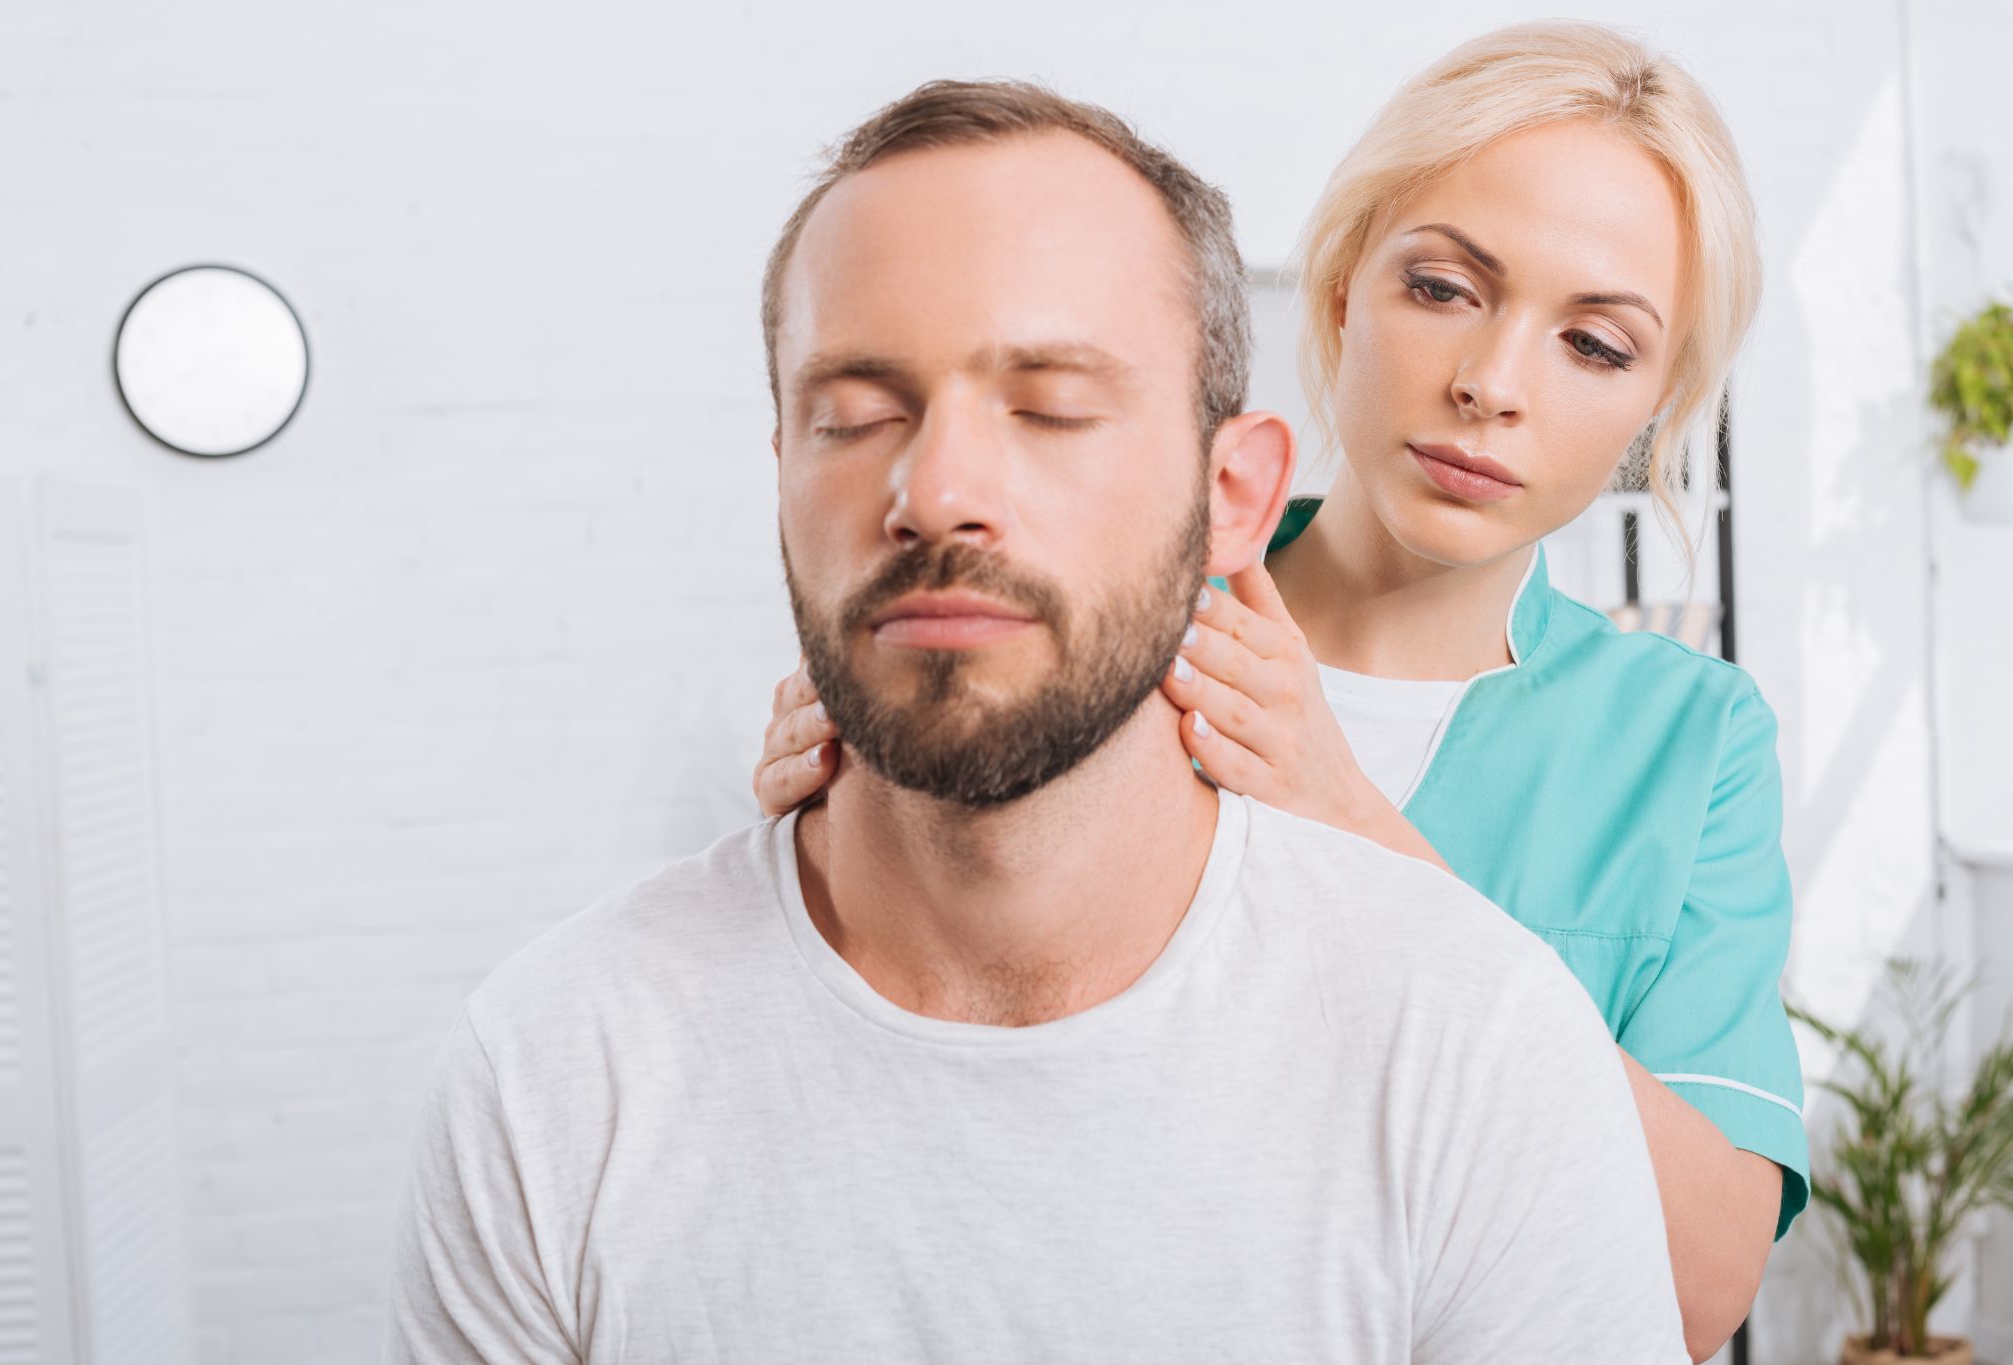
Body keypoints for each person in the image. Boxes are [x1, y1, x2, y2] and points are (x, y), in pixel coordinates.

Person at [386, 79, 1691, 1363]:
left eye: (1053, 406)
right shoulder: (551, 1074)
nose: (935, 490)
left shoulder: (1479, 1052)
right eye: (853, 414)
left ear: (1234, 498)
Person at [752, 21, 1804, 1362]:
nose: (1490, 383)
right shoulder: (1084, 625)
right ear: (1346, 283)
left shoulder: (1689, 743)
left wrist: (1356, 820)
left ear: (1658, 402)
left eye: (1595, 345)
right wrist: (849, 818)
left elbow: (1702, 1288)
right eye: (1443, 287)